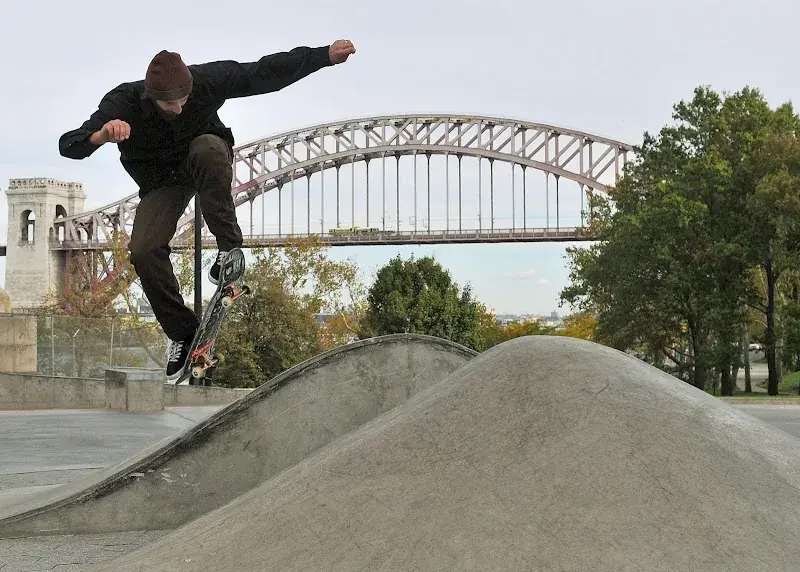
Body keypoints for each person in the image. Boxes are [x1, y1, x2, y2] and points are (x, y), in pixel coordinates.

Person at [59, 39, 357, 382]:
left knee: (207, 149)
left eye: (184, 100)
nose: (180, 108)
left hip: (205, 161)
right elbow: (70, 144)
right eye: (171, 104)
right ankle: (184, 333)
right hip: (162, 182)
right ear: (150, 96)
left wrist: (323, 56)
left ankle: (229, 249)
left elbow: (261, 72)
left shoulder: (207, 81)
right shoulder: (122, 102)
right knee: (142, 250)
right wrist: (100, 136)